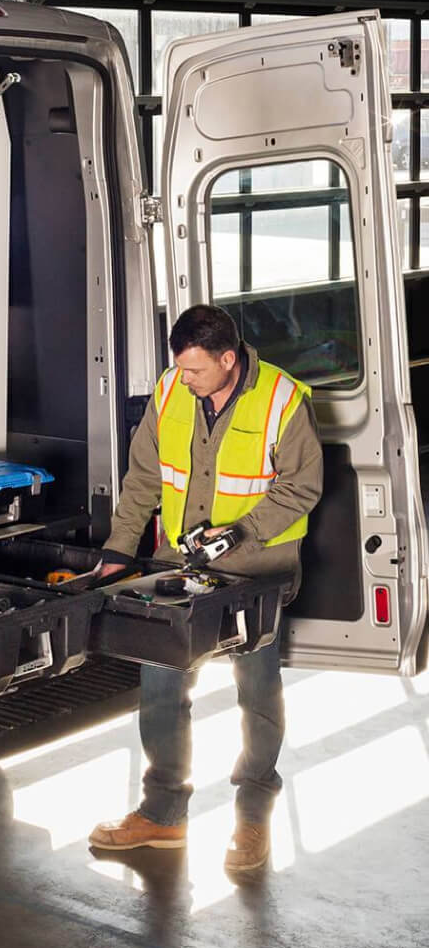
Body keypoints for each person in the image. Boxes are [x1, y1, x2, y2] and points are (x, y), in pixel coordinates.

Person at [88, 304, 323, 877]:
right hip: (179, 567)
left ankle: (253, 817)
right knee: (161, 683)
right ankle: (163, 813)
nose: (184, 380)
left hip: (255, 571)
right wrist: (119, 550)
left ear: (228, 358)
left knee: (257, 693)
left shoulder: (282, 400)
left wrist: (241, 531)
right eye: (180, 369)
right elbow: (144, 475)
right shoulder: (172, 391)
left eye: (196, 371)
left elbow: (302, 487)